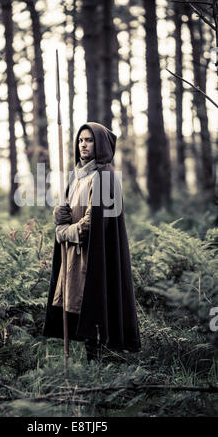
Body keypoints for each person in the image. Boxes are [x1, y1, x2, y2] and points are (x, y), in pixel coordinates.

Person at [43, 122, 141, 362]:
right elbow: (72, 210)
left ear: (100, 144)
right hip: (76, 256)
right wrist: (60, 214)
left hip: (95, 257)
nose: (83, 145)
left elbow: (92, 224)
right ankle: (92, 364)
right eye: (80, 140)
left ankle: (101, 365)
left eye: (89, 140)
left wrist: (65, 231)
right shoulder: (78, 175)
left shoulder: (104, 176)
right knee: (79, 307)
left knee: (96, 306)